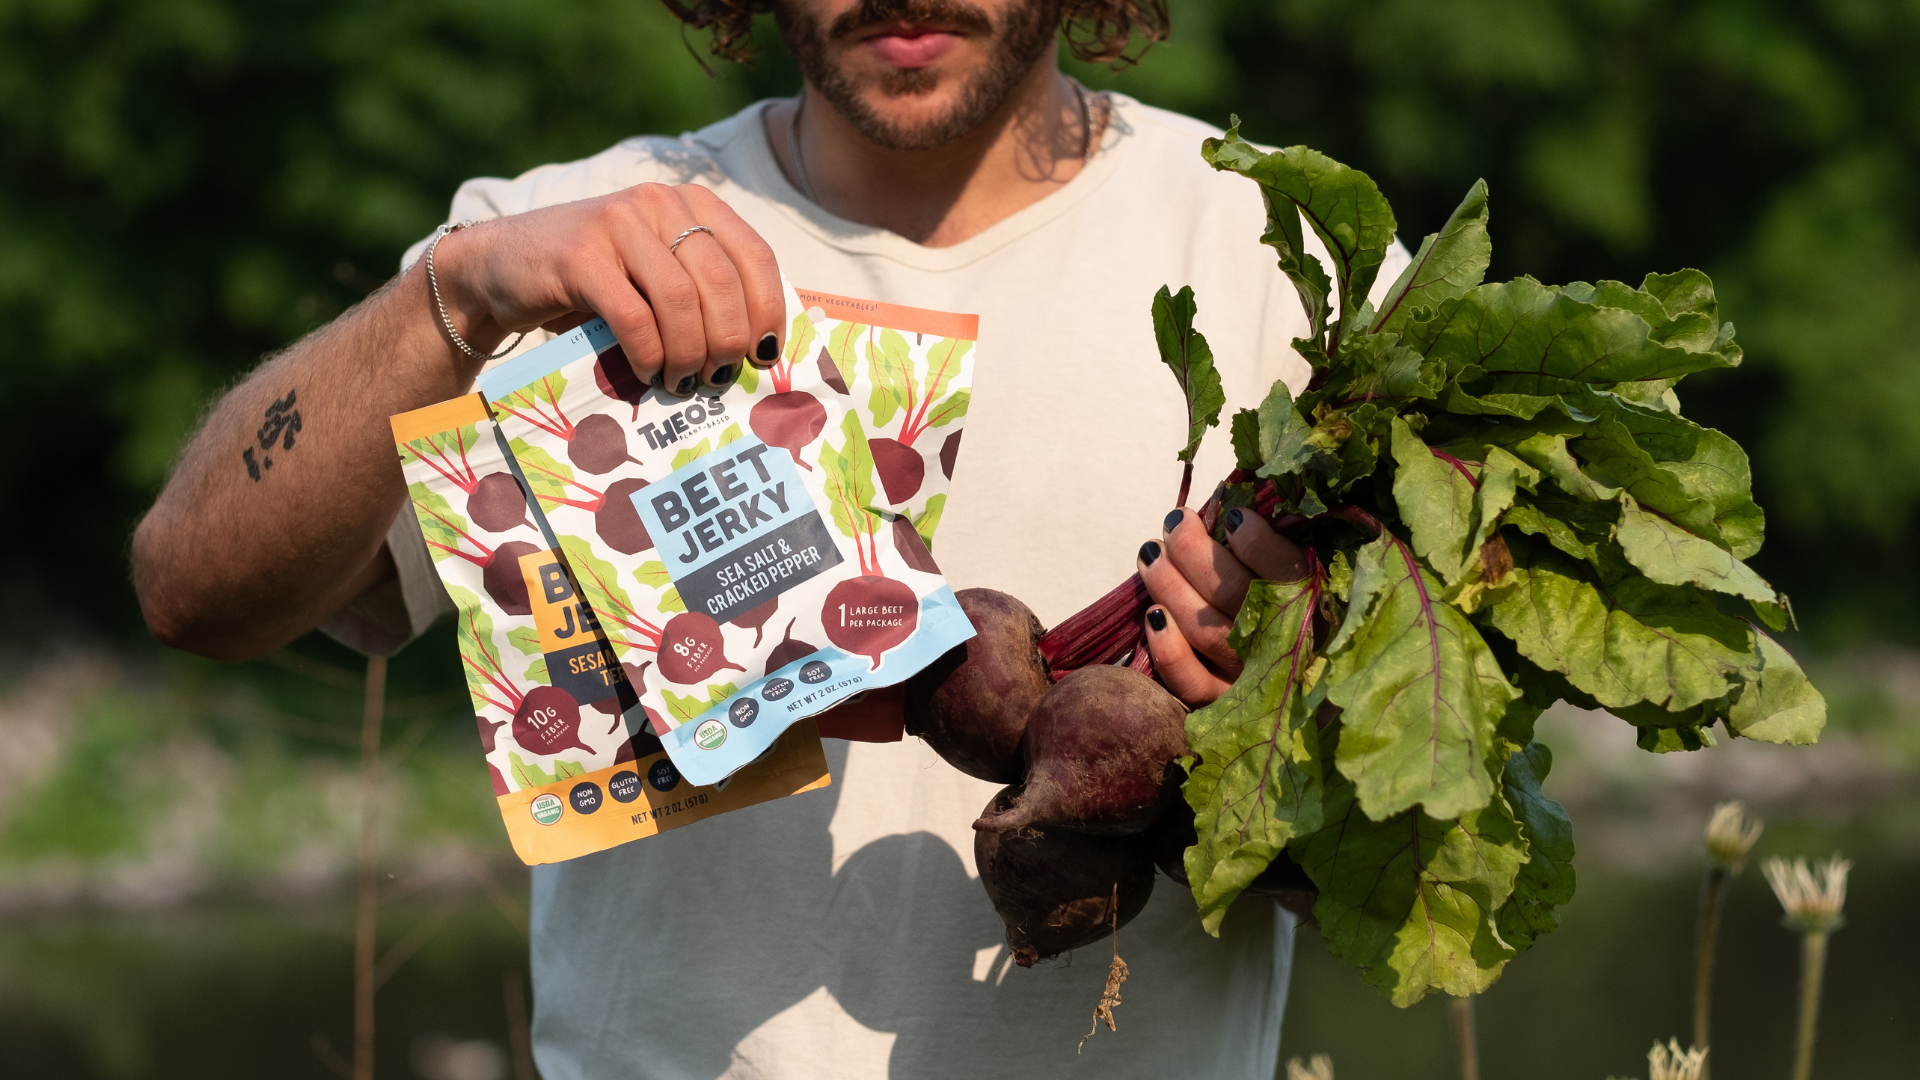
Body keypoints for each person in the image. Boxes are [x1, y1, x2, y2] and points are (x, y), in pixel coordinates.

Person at [132, 0, 1409, 1075]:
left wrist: (1264, 743)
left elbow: (1406, 876)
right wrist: (453, 294)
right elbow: (193, 590)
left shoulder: (1274, 255)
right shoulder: (563, 237)